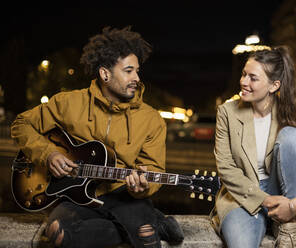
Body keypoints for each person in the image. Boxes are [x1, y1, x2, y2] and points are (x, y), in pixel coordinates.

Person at [11, 26, 184, 248]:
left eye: (137, 71)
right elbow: (21, 124)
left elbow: (153, 167)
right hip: (77, 195)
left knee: (145, 235)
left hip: (125, 193)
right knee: (58, 233)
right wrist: (48, 154)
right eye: (128, 71)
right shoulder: (68, 103)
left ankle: (148, 225)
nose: (137, 78)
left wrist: (143, 187)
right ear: (105, 74)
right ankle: (157, 222)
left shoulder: (151, 119)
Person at [210, 46, 296, 248]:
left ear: (274, 86)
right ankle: (276, 218)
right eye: (243, 74)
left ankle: (286, 224)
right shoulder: (227, 112)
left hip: (285, 195)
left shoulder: (292, 114)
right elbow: (226, 168)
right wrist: (266, 201)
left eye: (253, 78)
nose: (243, 82)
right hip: (243, 197)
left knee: (292, 136)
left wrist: (293, 205)